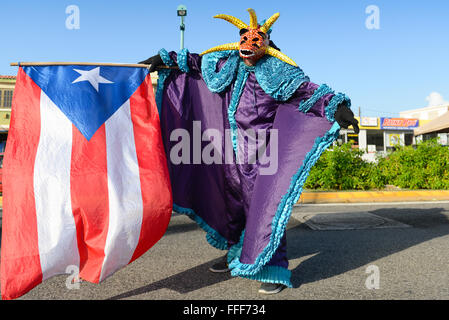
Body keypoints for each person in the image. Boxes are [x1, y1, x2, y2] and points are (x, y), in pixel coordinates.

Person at [139, 8, 359, 295]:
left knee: (266, 209)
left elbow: (307, 91)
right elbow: (196, 62)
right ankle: (236, 254)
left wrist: (337, 107)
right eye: (244, 36)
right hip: (227, 153)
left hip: (262, 155)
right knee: (230, 206)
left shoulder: (278, 69)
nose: (250, 42)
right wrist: (165, 60)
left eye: (257, 37)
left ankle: (274, 269)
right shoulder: (228, 63)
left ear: (266, 41)